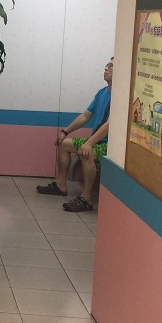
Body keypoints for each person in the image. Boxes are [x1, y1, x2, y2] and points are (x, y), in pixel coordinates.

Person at [36, 57, 113, 212]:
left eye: (110, 66)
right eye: (106, 65)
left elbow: (110, 124)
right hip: (95, 141)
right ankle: (61, 185)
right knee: (64, 144)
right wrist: (65, 131)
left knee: (86, 153)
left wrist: (89, 143)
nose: (106, 68)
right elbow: (85, 115)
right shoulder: (102, 93)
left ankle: (86, 199)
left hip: (109, 145)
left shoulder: (122, 97)